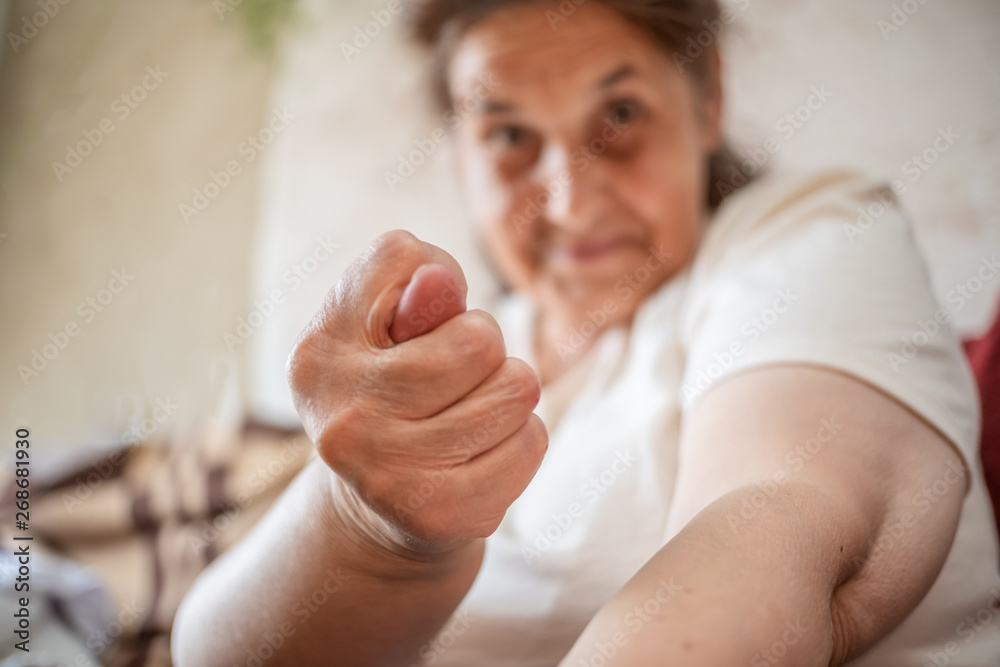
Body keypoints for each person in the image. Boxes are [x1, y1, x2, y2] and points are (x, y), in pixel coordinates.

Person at [172, 1, 1000, 664]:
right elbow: (215, 651)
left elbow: (779, 529)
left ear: (707, 96)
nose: (568, 200)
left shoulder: (807, 231)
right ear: (459, 154)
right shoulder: (460, 357)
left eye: (621, 113)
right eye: (507, 135)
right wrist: (372, 521)